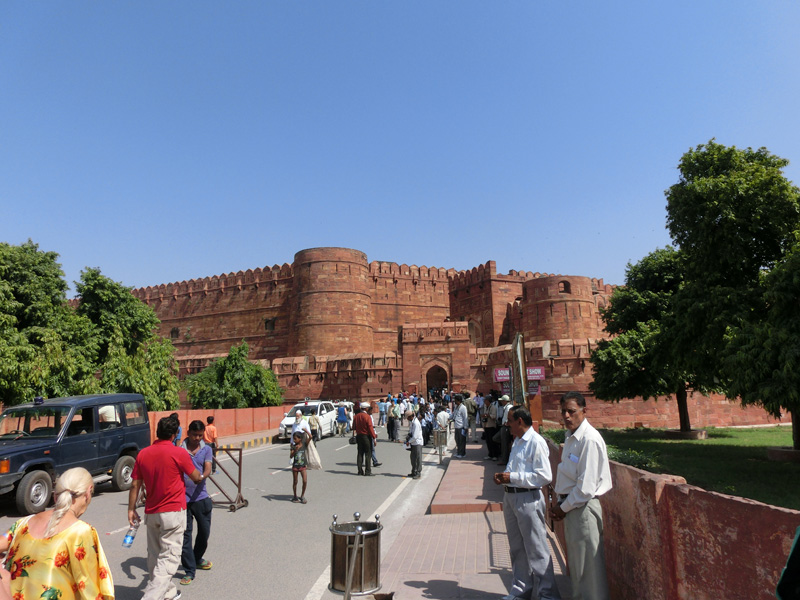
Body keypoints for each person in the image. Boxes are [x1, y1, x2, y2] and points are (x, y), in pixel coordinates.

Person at [0, 467, 115, 600]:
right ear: (88, 493)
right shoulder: (81, 532)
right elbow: (90, 588)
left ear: (55, 496)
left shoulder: (23, 524)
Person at [128, 415, 203, 600]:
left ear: (157, 432)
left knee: (155, 556)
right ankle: (151, 597)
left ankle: (169, 593)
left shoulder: (143, 454)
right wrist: (201, 475)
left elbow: (135, 484)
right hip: (173, 512)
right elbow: (195, 476)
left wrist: (131, 509)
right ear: (174, 434)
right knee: (169, 558)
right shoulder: (179, 453)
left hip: (152, 512)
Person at [493, 406, 561, 600]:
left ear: (520, 421)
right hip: (512, 497)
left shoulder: (535, 442)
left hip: (528, 498)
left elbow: (544, 476)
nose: (507, 424)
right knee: (517, 547)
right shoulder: (517, 441)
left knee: (537, 548)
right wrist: (505, 477)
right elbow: (515, 468)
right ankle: (520, 590)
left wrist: (512, 477)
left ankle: (548, 595)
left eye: (510, 421)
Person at [550, 391, 612, 600]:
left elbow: (586, 488)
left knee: (589, 573)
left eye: (571, 411)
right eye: (564, 412)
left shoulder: (589, 440)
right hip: (573, 507)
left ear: (584, 411)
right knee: (578, 570)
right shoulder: (572, 438)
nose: (566, 416)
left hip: (582, 508)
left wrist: (562, 508)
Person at [180, 420, 214, 586]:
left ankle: (197, 557)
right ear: (188, 433)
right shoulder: (180, 450)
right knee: (185, 536)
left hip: (201, 498)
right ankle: (189, 570)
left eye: (200, 435)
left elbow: (208, 467)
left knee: (204, 532)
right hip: (183, 500)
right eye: (194, 435)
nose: (197, 438)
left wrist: (202, 476)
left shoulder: (206, 449)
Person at [353, 402, 377, 476]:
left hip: (359, 436)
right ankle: (367, 471)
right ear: (366, 408)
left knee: (360, 453)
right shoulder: (367, 416)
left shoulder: (356, 416)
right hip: (366, 436)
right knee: (368, 454)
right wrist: (374, 437)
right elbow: (370, 428)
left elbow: (353, 427)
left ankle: (360, 471)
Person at [290, 431, 308, 503]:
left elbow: (310, 437)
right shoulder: (293, 446)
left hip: (302, 466)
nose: (294, 440)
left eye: (295, 439)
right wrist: (295, 450)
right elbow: (291, 456)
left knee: (305, 481)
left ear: (300, 439)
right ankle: (295, 496)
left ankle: (302, 496)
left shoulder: (304, 444)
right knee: (295, 481)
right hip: (295, 466)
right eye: (293, 439)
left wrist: (305, 430)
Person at [405, 410, 423, 479]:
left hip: (417, 443)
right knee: (413, 458)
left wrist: (409, 442)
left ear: (410, 416)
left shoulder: (416, 423)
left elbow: (415, 436)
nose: (407, 419)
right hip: (413, 443)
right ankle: (414, 471)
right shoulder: (412, 422)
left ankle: (418, 472)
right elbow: (411, 432)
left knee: (418, 458)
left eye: (407, 418)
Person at [498, 395, 513, 466]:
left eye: (502, 401)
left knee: (504, 444)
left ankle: (504, 459)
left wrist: (507, 422)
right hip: (504, 426)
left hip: (506, 427)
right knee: (501, 441)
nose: (501, 402)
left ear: (504, 401)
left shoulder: (509, 407)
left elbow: (510, 417)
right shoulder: (506, 407)